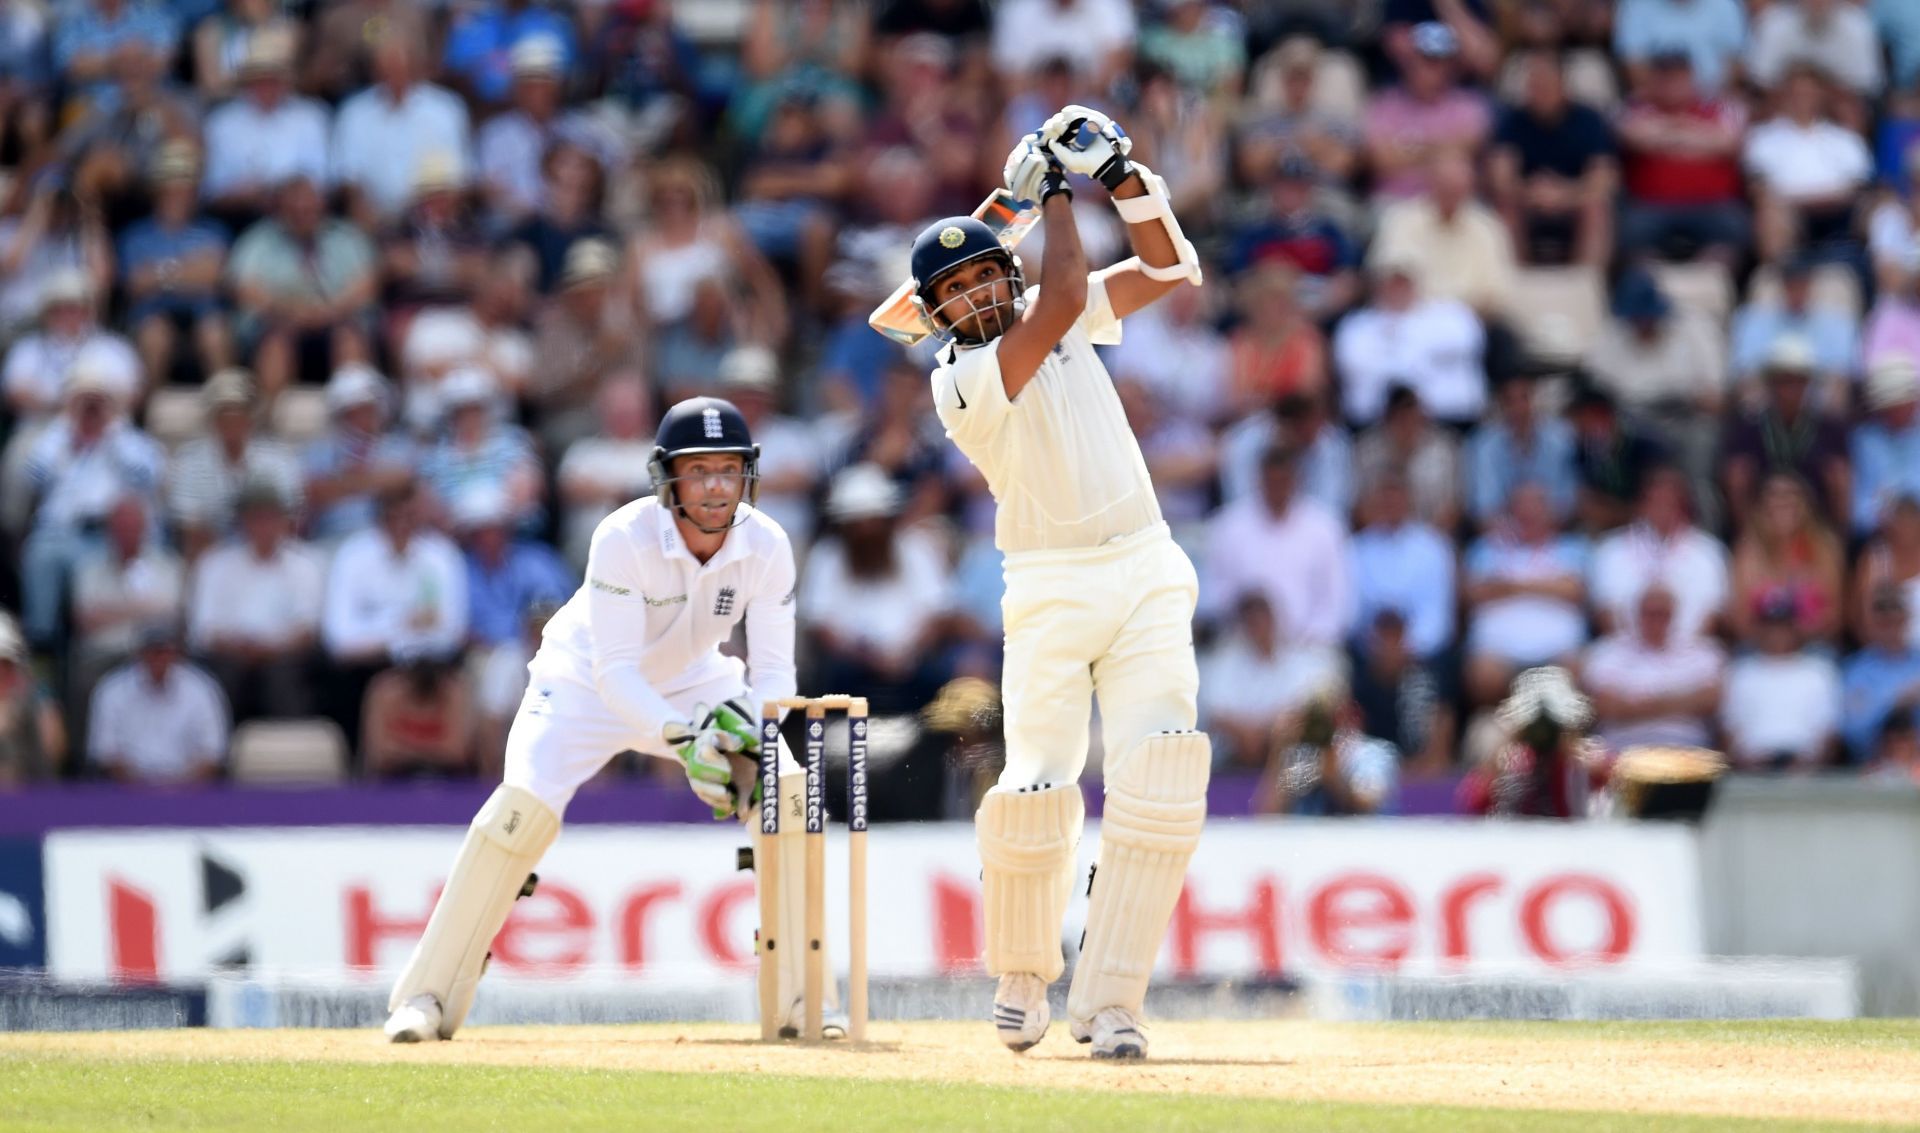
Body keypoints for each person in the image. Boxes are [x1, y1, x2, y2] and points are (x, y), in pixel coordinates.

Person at [899, 104, 1207, 1060]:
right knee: (1036, 785)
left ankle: (1112, 1002)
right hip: (1049, 584)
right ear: (937, 315)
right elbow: (1068, 292)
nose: (979, 295)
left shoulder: (1055, 317)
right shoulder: (964, 379)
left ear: (1009, 270)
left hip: (1145, 564)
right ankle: (1024, 976)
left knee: (1162, 774)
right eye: (957, 290)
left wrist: (1120, 177)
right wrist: (1059, 197)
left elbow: (1166, 269)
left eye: (989, 272)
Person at [383, 396, 809, 1045]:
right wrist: (687, 739)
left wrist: (752, 733)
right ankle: (425, 997)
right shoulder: (622, 537)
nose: (717, 485)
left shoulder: (767, 544)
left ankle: (801, 999)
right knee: (518, 810)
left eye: (729, 469)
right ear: (667, 477)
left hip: (698, 678)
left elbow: (775, 675)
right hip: (579, 681)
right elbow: (615, 672)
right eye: (700, 470)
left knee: (787, 788)